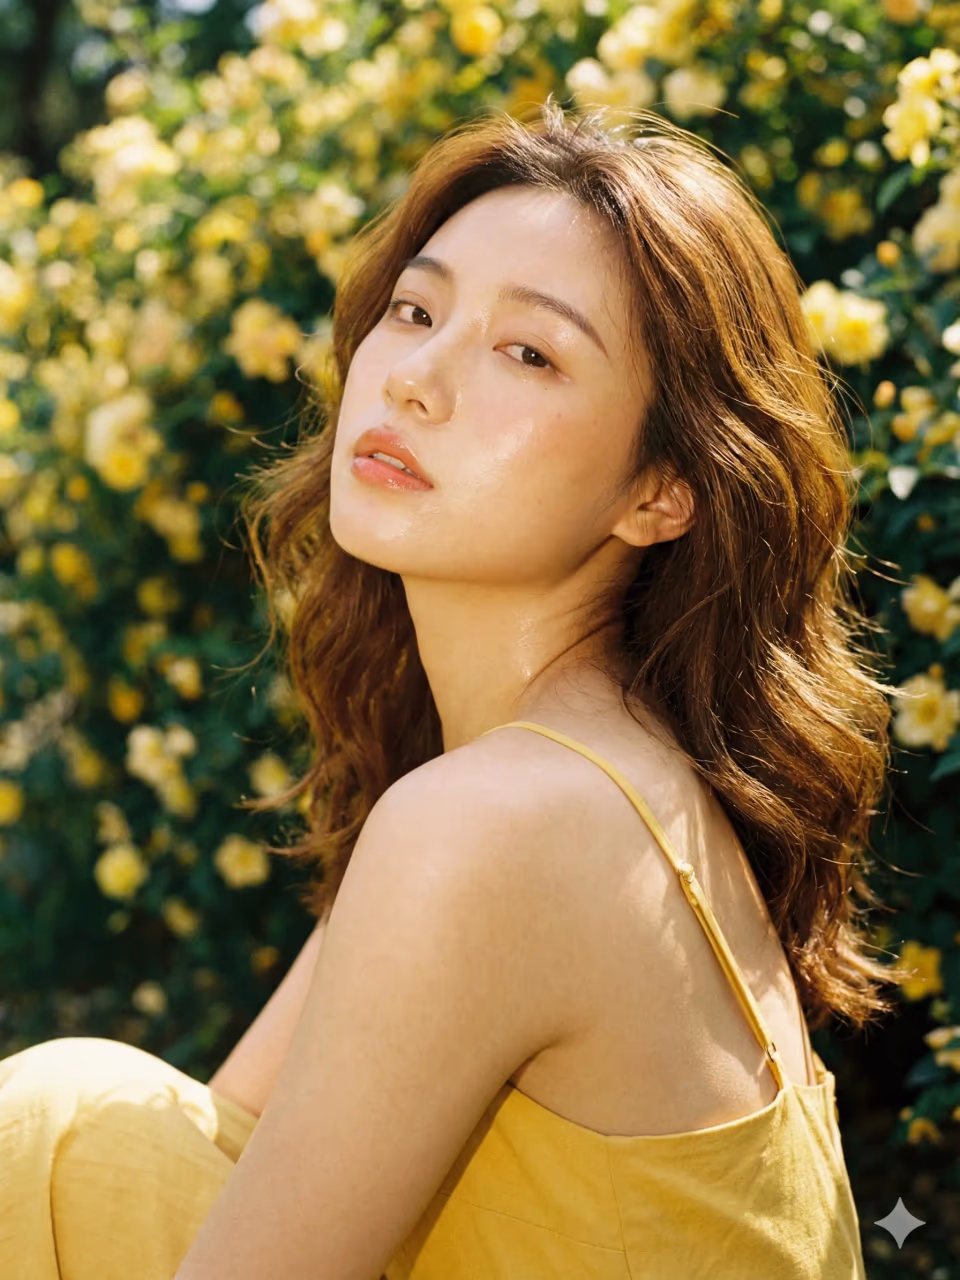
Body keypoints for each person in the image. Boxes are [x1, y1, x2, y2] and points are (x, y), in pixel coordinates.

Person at [0, 95, 903, 1280]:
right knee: (86, 1125)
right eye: (415, 309)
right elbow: (225, 1155)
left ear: (662, 490)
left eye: (529, 351)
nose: (415, 377)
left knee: (57, 1117)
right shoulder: (561, 785)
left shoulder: (506, 823)